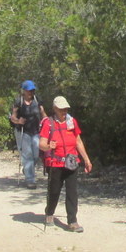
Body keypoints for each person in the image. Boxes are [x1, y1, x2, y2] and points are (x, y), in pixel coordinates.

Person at [39, 95, 92, 232]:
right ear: (55, 108)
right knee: (54, 191)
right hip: (55, 163)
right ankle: (49, 213)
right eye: (61, 109)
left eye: (66, 108)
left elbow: (78, 141)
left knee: (72, 192)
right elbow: (41, 144)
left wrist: (86, 159)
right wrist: (49, 146)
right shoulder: (48, 123)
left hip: (72, 161)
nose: (64, 111)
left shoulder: (72, 121)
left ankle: (72, 221)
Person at [9, 80, 46, 189]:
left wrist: (47, 122)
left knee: (35, 155)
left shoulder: (37, 100)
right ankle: (30, 180)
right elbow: (13, 117)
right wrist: (18, 121)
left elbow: (43, 114)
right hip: (23, 131)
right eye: (29, 90)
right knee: (27, 155)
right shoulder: (18, 101)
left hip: (35, 131)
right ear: (24, 91)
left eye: (32, 90)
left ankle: (27, 169)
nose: (31, 92)